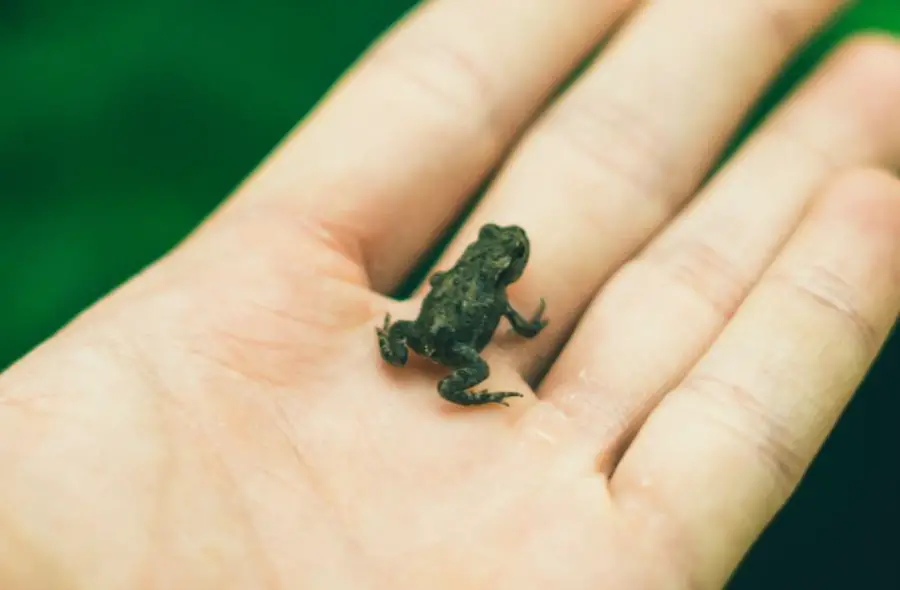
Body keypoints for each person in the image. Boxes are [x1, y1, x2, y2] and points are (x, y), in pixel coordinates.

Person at [2, 0, 899, 588]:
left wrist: (460, 322)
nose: (508, 259)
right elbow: (503, 316)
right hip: (441, 340)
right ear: (496, 261)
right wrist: (492, 351)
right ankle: (459, 388)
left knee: (437, 336)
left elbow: (484, 302)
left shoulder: (482, 285)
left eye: (507, 256)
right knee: (453, 363)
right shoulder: (492, 296)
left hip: (427, 322)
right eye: (506, 255)